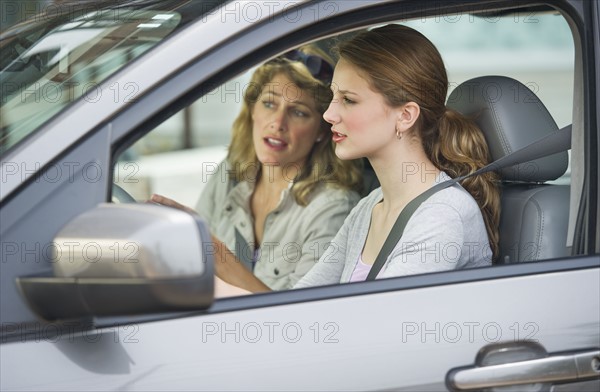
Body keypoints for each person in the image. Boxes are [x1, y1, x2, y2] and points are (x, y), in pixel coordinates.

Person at [214, 24, 500, 296]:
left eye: (348, 100)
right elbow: (300, 305)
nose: (328, 115)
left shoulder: (440, 216)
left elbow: (375, 325)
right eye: (333, 96)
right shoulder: (370, 207)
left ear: (405, 116)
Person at [152, 46, 363, 291]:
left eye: (298, 112)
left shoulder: (333, 208)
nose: (278, 123)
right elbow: (192, 263)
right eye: (269, 104)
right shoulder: (230, 173)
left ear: (320, 131)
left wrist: (218, 254)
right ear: (252, 110)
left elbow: (300, 319)